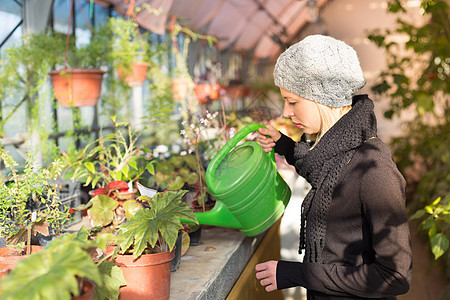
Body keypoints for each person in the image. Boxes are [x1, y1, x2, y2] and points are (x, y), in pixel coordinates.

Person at [254, 35, 412, 299]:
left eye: (293, 101)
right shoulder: (339, 151)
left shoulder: (374, 171)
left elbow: (394, 276)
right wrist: (282, 144)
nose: (286, 112)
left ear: (322, 98)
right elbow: (322, 171)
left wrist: (297, 274)